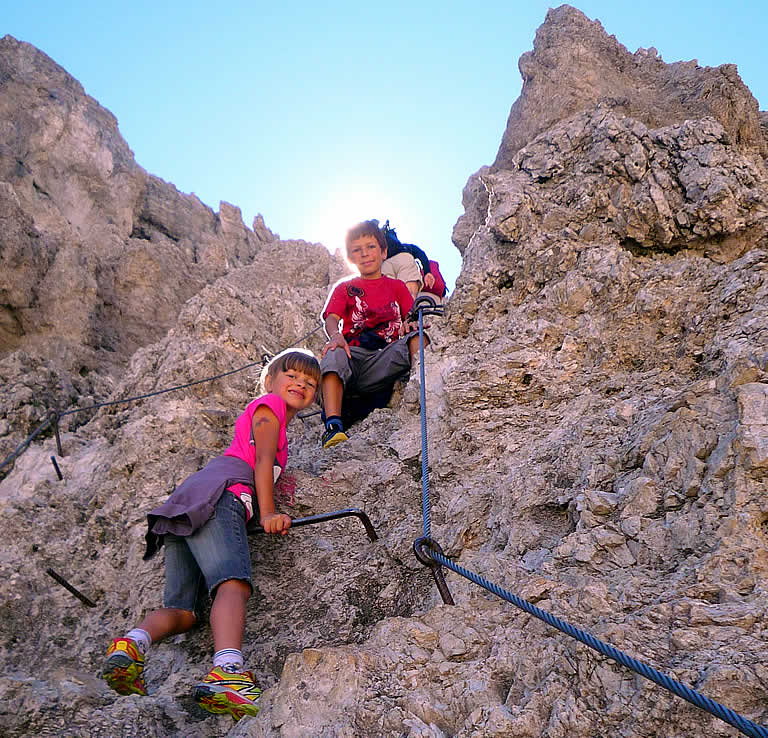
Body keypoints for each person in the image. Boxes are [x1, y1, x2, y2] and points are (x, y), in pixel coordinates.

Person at [102, 349, 321, 720]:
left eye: (311, 383)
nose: (301, 384)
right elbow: (263, 461)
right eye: (293, 376)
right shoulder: (271, 408)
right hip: (221, 496)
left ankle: (131, 644)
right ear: (269, 381)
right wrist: (267, 513)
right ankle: (228, 673)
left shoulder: (266, 412)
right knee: (232, 584)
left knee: (183, 612)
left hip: (184, 505)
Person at [319, 219, 425, 449]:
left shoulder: (396, 286)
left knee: (420, 338)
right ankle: (333, 425)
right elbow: (331, 319)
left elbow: (410, 315)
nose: (365, 254)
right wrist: (334, 336)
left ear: (384, 251)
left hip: (383, 357)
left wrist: (410, 325)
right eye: (357, 250)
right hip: (353, 358)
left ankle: (424, 396)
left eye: (371, 247)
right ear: (350, 258)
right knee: (333, 351)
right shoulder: (345, 288)